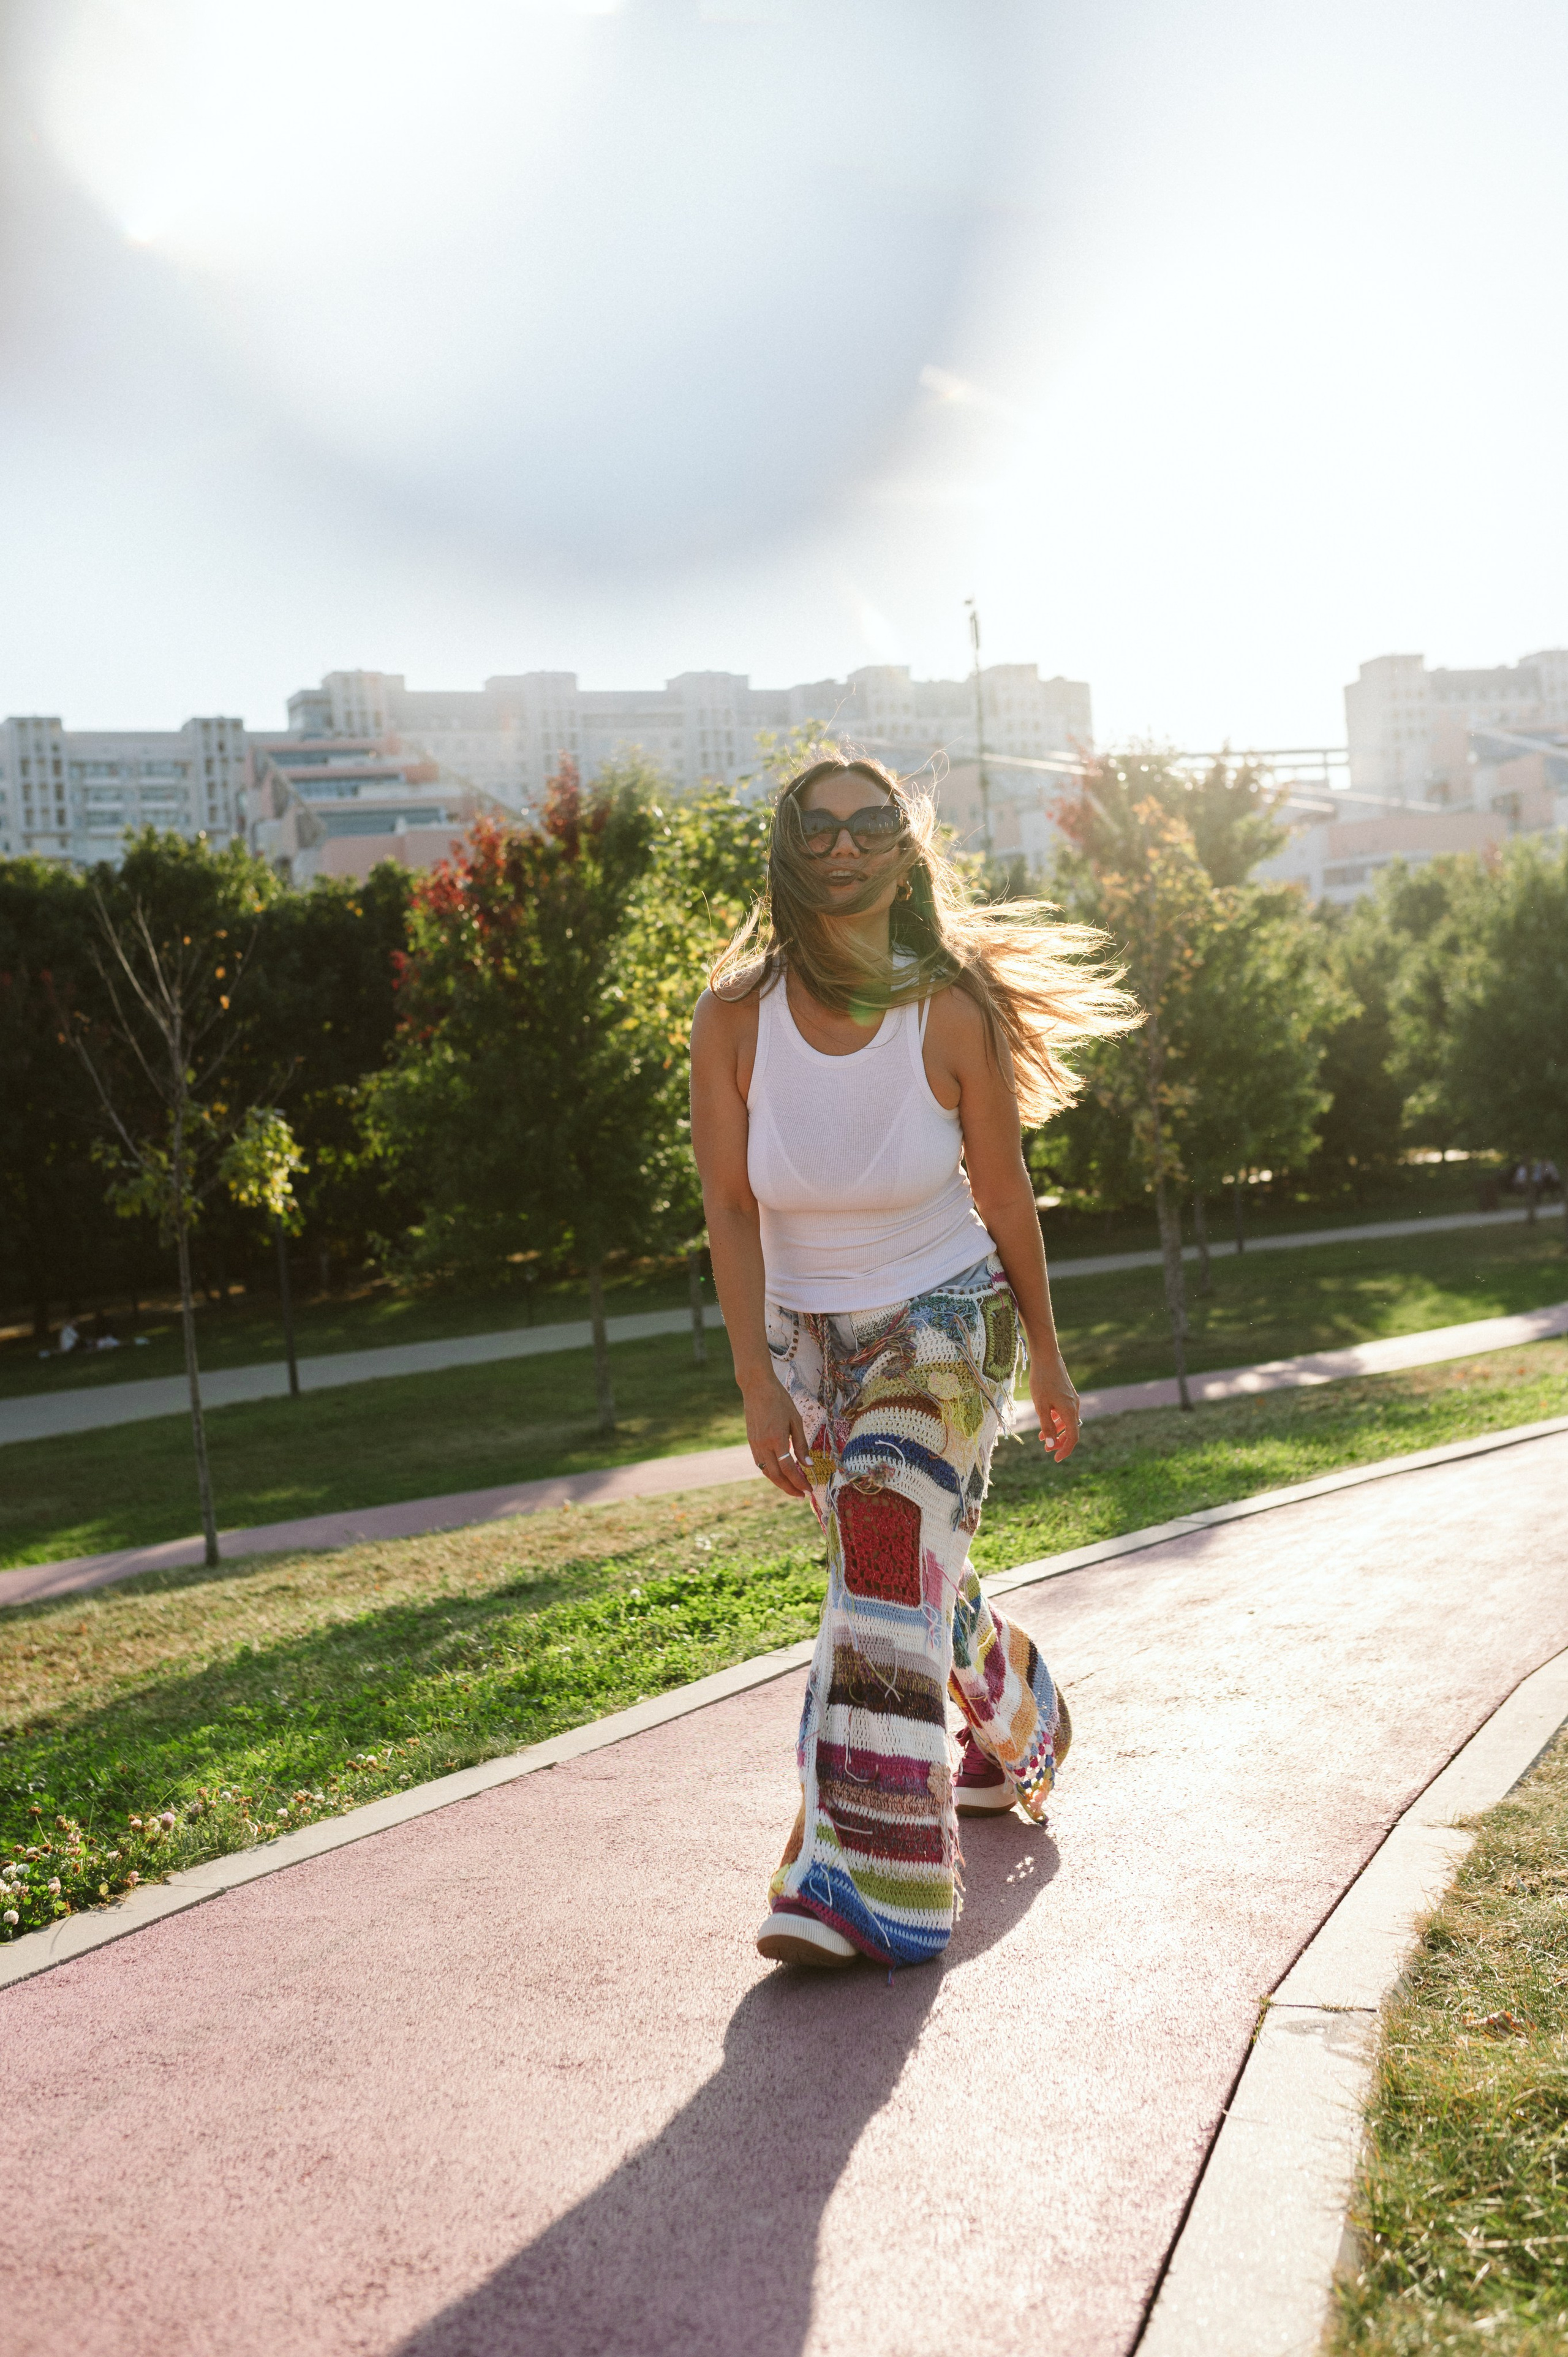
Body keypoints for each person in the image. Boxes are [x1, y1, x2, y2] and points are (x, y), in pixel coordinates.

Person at [689, 752, 1137, 1970]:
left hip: (947, 1319)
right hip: (809, 1340)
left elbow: (1003, 1192)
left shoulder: (945, 1009)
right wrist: (751, 1378)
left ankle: (865, 1877)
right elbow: (729, 1207)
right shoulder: (733, 1016)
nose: (842, 843)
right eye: (817, 825)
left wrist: (1045, 1354)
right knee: (893, 1566)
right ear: (788, 851)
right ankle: (1020, 1714)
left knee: (883, 1533)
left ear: (902, 847)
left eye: (868, 822)